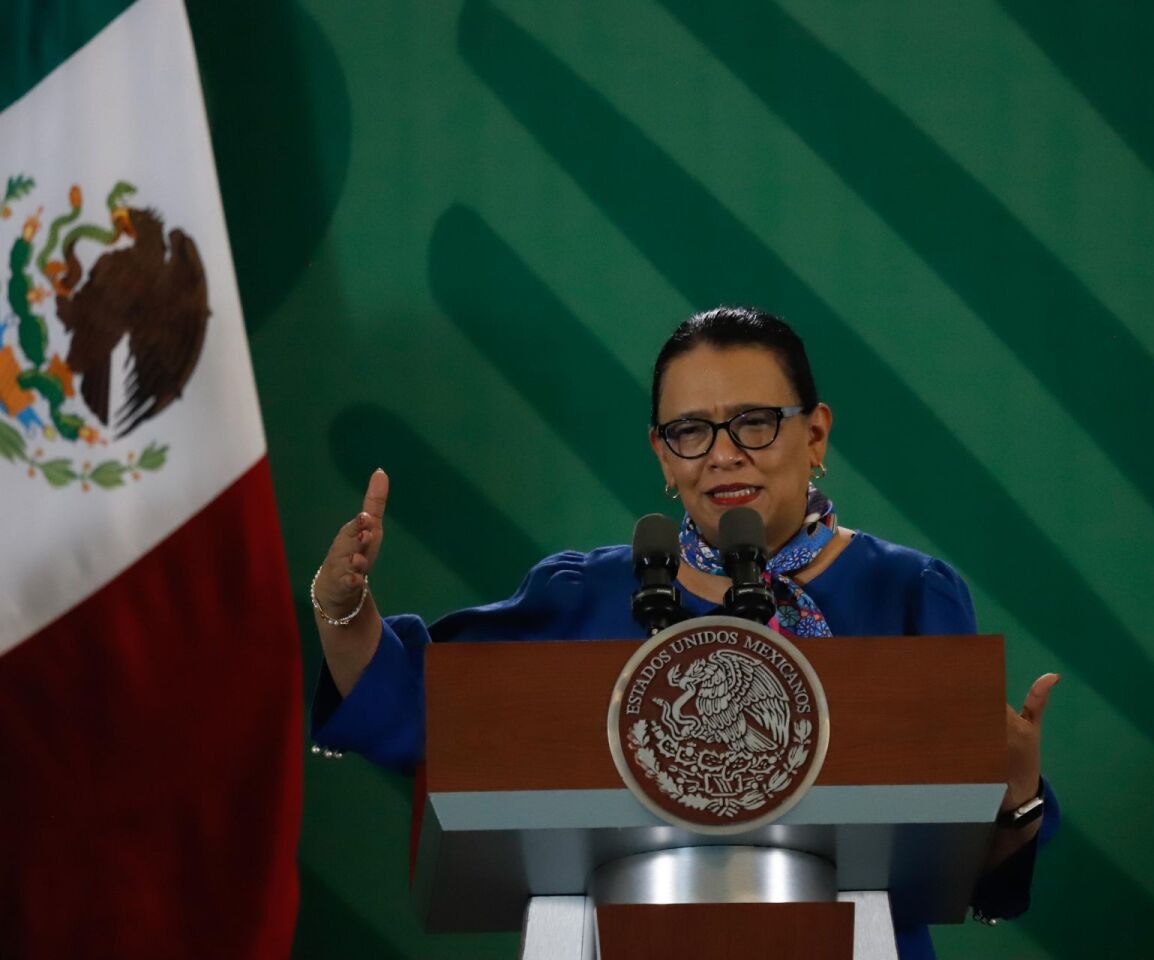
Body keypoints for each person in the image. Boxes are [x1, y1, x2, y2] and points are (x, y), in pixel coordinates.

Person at [310, 306, 1060, 960]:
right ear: (662, 456)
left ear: (816, 432)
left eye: (755, 422)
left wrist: (1017, 792)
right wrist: (342, 609)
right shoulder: (587, 594)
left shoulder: (907, 594)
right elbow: (421, 708)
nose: (724, 454)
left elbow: (973, 868)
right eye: (691, 431)